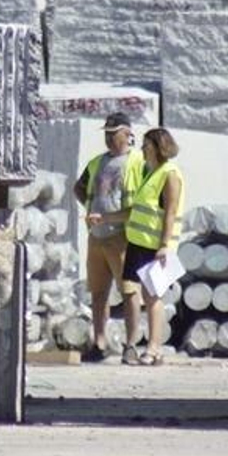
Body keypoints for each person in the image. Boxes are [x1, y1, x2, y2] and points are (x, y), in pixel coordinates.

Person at [73, 112, 143, 362]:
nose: (109, 139)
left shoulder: (137, 162)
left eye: (114, 134)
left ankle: (131, 344)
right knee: (99, 292)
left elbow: (142, 202)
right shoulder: (97, 163)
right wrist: (91, 210)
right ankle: (99, 342)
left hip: (123, 235)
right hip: (97, 236)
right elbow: (79, 187)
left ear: (128, 134)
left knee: (129, 291)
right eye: (107, 134)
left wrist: (110, 218)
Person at [113, 127, 184, 366]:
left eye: (146, 145)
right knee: (146, 294)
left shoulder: (169, 173)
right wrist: (104, 218)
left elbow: (171, 212)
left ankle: (154, 348)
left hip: (156, 246)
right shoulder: (149, 172)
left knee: (154, 296)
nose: (142, 149)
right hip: (139, 242)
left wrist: (164, 245)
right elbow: (137, 210)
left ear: (157, 147)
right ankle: (154, 348)